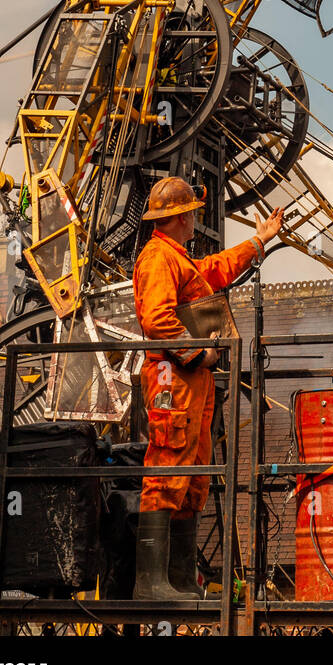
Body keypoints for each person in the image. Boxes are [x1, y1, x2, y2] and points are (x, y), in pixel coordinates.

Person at [132, 176, 284, 600]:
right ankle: (152, 582)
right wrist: (199, 354)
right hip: (172, 377)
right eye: (193, 213)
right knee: (167, 465)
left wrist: (258, 243)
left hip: (189, 381)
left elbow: (214, 270)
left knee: (193, 472)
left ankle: (177, 579)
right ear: (180, 217)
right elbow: (158, 320)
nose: (197, 218)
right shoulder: (157, 259)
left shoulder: (177, 258)